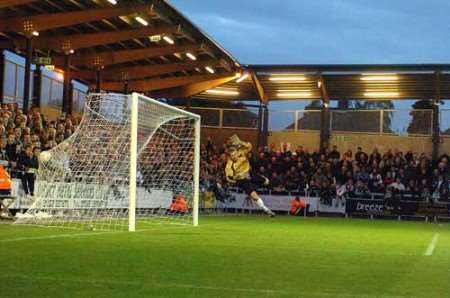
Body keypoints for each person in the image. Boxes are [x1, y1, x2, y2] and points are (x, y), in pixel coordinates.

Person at [224, 135, 275, 217]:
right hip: (242, 181)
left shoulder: (241, 152)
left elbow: (249, 146)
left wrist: (240, 142)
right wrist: (237, 177)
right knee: (254, 196)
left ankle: (269, 184)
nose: (233, 156)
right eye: (231, 155)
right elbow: (229, 177)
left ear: (236, 152)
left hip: (250, 174)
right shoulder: (229, 164)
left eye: (234, 154)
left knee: (267, 181)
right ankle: (266, 210)